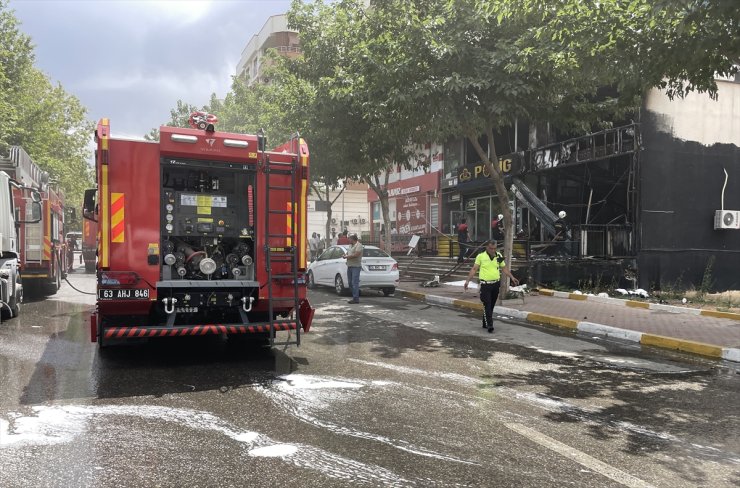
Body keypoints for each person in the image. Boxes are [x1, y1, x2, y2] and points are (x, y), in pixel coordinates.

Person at [463, 240, 519, 333]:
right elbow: (474, 269)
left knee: (491, 305)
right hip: (485, 285)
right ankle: (490, 324)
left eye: (494, 248)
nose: (493, 250)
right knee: (487, 304)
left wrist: (512, 277)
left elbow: (504, 268)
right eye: (491, 248)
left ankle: (485, 322)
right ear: (487, 247)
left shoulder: (498, 256)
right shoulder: (481, 256)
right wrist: (467, 281)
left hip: (496, 284)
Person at [343, 233, 363, 304]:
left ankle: (356, 298)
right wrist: (345, 255)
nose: (348, 240)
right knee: (350, 283)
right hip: (350, 266)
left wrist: (347, 257)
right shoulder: (350, 245)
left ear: (352, 239)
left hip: (356, 267)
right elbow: (348, 252)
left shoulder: (359, 245)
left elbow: (356, 255)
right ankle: (356, 294)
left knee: (354, 283)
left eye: (349, 239)